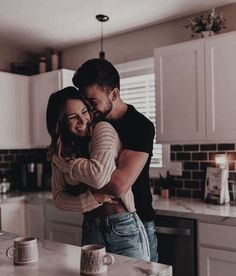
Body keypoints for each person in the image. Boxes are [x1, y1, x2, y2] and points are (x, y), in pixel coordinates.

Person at [46, 86, 150, 261]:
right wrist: (94, 198)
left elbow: (98, 176)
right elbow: (59, 199)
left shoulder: (102, 129)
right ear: (61, 123)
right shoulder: (62, 148)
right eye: (72, 117)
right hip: (90, 227)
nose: (82, 119)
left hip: (122, 226)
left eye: (84, 111)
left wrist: (63, 162)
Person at [71, 58, 158, 262]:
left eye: (93, 102)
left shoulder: (141, 126)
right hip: (92, 223)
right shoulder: (89, 126)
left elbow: (118, 186)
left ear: (114, 94)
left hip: (135, 224)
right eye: (85, 103)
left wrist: (78, 175)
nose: (89, 110)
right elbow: (73, 180)